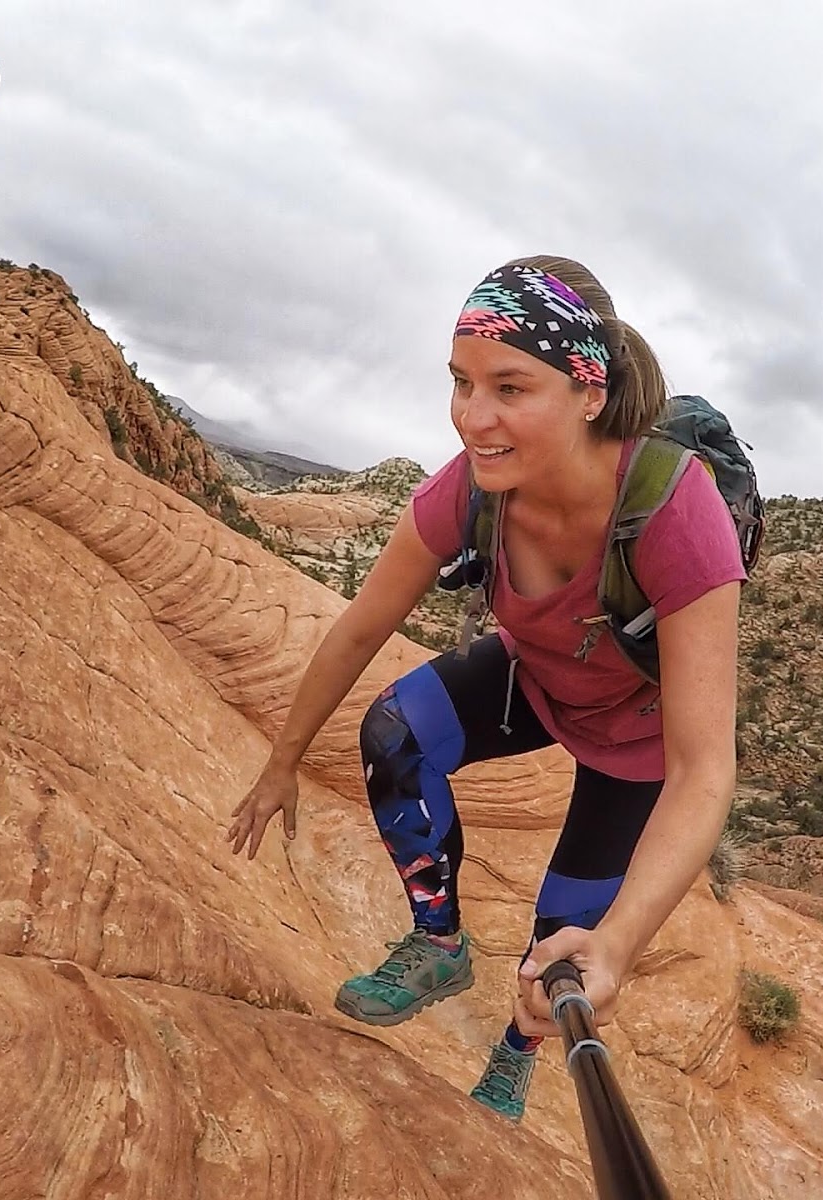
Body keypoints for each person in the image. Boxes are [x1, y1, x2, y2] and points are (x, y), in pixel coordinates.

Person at [227, 256, 742, 1122]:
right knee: (396, 735)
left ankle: (515, 1054)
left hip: (635, 744)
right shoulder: (468, 490)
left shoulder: (676, 513)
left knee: (563, 934)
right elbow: (361, 627)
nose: (474, 416)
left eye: (511, 386)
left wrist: (615, 946)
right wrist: (280, 763)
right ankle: (439, 944)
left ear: (589, 392)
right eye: (461, 383)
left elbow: (703, 772)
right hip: (536, 680)